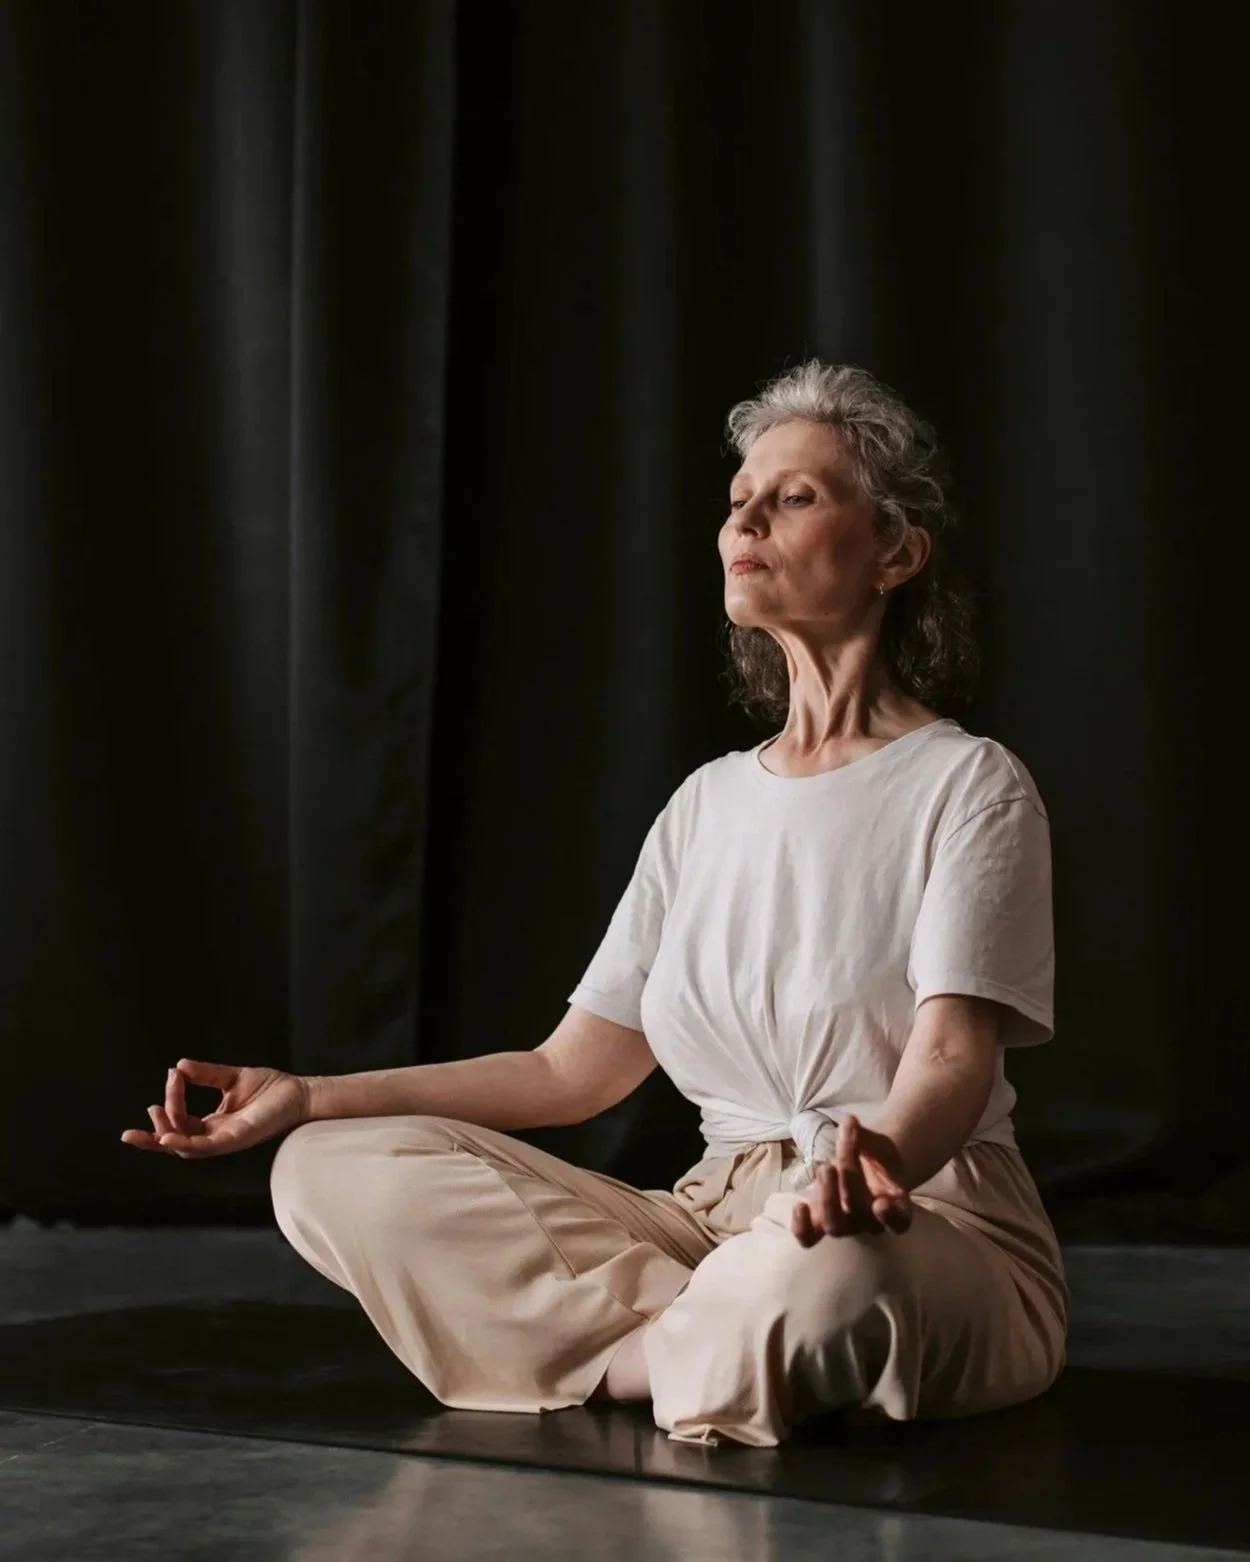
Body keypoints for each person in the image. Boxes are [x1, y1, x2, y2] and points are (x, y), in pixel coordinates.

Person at [122, 360, 1067, 1449]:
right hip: (708, 1225)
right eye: (735, 500)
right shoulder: (706, 801)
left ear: (895, 553)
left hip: (910, 1216)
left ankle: (639, 1350)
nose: (742, 519)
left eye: (793, 496)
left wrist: (875, 1163)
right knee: (329, 1166)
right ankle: (701, 1350)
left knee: (829, 1274)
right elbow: (569, 1073)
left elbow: (950, 1061)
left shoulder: (967, 782)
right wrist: (313, 1095)